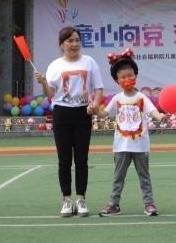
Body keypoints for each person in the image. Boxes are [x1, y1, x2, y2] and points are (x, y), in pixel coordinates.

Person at [34, 26, 104, 218]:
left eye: (77, 40)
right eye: (70, 41)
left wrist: (95, 104)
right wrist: (43, 82)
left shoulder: (89, 62)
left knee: (82, 159)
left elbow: (98, 88)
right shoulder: (55, 65)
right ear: (62, 44)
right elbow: (51, 95)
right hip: (62, 114)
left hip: (83, 113)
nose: (74, 44)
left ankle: (81, 199)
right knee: (64, 160)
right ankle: (66, 199)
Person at [97, 50, 165, 217]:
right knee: (118, 177)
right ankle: (114, 204)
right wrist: (94, 110)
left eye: (130, 75)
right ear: (117, 80)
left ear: (135, 76)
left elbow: (153, 111)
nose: (127, 79)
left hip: (140, 145)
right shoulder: (117, 99)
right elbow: (104, 114)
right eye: (123, 77)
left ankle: (149, 204)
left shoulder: (141, 97)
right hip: (121, 146)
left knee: (144, 176)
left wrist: (160, 116)